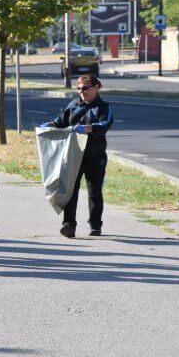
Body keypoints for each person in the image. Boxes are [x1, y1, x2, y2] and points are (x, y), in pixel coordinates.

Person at [40, 74, 113, 238]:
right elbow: (60, 122)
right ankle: (68, 225)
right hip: (73, 155)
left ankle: (95, 226)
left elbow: (104, 125)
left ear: (95, 88)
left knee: (94, 191)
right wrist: (48, 125)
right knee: (70, 191)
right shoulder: (73, 105)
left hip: (95, 156)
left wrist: (88, 128)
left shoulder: (103, 107)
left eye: (85, 88)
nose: (81, 92)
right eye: (79, 88)